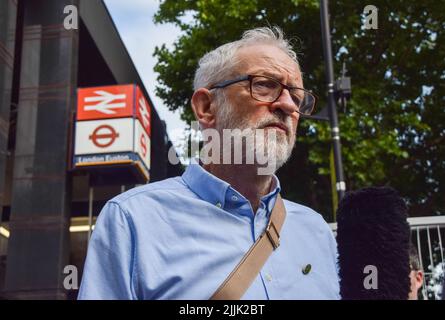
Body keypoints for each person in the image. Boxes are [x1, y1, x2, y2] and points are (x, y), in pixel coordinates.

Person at [78, 27, 340, 300]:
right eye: (264, 85)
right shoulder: (132, 219)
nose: (288, 105)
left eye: (297, 97)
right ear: (206, 107)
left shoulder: (317, 231)